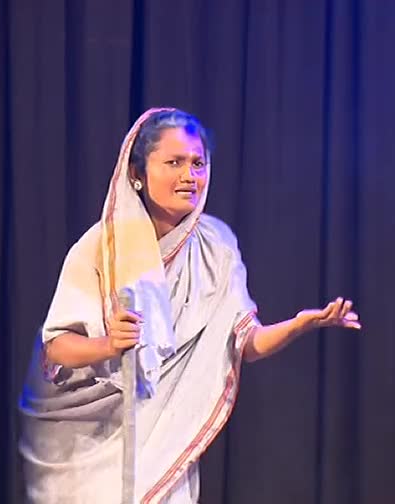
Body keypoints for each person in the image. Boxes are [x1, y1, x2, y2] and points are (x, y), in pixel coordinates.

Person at [19, 108, 361, 503]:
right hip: (89, 449)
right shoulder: (101, 246)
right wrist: (109, 347)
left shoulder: (216, 248)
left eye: (198, 163)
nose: (189, 175)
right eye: (174, 162)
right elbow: (57, 345)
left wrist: (299, 325)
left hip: (166, 446)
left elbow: (244, 343)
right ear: (137, 173)